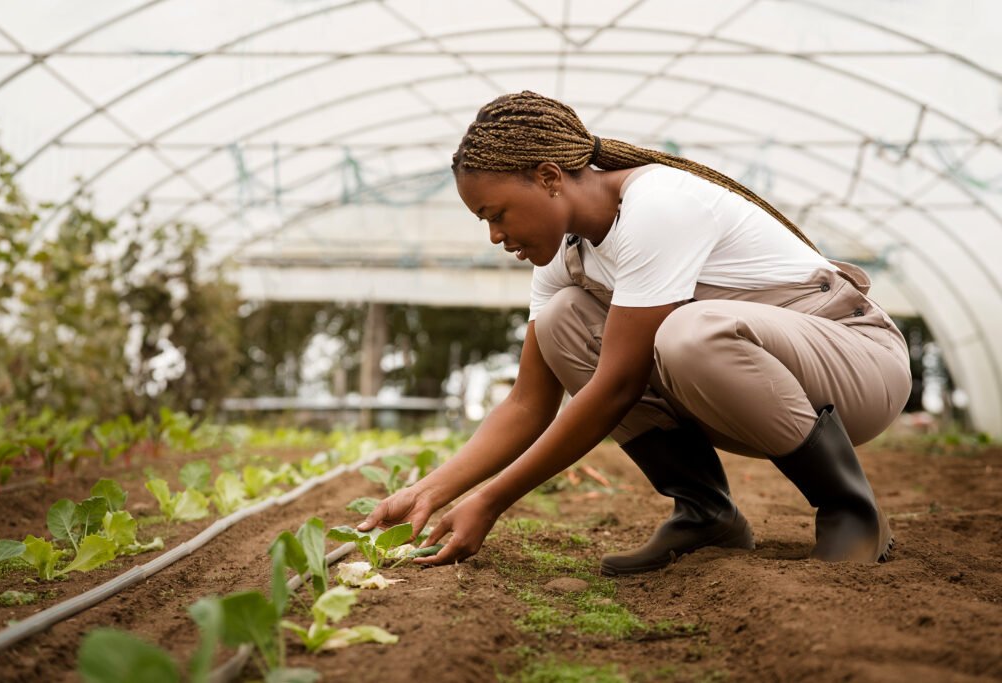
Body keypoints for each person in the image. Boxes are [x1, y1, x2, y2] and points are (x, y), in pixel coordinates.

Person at [357, 91, 911, 574]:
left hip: (857, 365)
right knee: (562, 321)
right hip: (755, 389)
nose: (496, 235)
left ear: (550, 177)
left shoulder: (660, 206)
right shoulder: (564, 257)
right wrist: (429, 491)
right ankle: (706, 513)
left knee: (688, 333)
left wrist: (492, 501)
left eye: (497, 213)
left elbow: (616, 386)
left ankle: (848, 508)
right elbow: (528, 402)